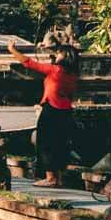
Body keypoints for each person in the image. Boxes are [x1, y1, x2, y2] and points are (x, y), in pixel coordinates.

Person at [19, 47, 79, 187]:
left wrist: (12, 49)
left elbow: (29, 63)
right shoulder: (73, 74)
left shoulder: (55, 70)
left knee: (45, 143)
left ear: (64, 56)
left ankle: (50, 178)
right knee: (60, 143)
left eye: (59, 53)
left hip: (52, 109)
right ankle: (57, 178)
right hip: (65, 110)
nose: (56, 55)